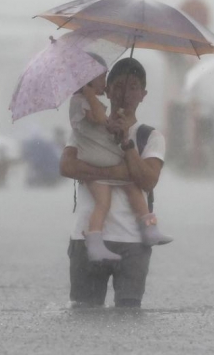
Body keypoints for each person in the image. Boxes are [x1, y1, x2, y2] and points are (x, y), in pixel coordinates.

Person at [60, 58, 167, 308]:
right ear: (106, 90)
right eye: (118, 86)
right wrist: (118, 171)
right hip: (86, 238)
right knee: (83, 317)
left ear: (143, 94)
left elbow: (148, 179)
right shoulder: (84, 128)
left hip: (133, 242)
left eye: (133, 88)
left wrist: (126, 144)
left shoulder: (149, 136)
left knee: (128, 317)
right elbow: (67, 166)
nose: (125, 94)